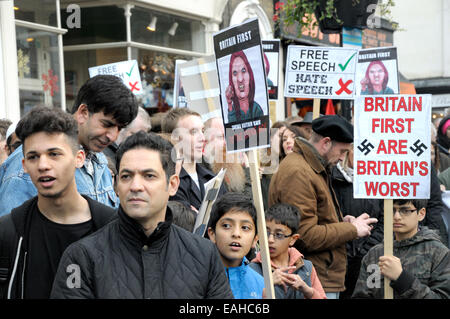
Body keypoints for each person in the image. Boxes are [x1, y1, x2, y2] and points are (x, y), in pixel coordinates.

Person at [50, 132, 233, 299]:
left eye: (149, 176)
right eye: (126, 176)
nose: (136, 186)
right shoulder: (82, 257)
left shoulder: (204, 254)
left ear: (173, 185)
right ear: (116, 185)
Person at [0, 107, 115, 299]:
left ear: (79, 159)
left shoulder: (112, 227)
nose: (43, 165)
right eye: (33, 157)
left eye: (54, 154)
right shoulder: (9, 232)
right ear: (24, 165)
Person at [268, 115, 378, 298]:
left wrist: (341, 222)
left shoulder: (310, 167)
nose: (343, 157)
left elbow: (311, 219)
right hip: (311, 278)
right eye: (342, 151)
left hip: (317, 275)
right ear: (326, 143)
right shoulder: (299, 172)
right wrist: (350, 229)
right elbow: (305, 235)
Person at [0, 75, 138, 216]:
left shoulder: (100, 160)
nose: (112, 136)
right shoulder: (28, 164)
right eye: (107, 124)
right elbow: (12, 232)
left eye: (119, 128)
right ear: (83, 112)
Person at [352, 199, 450, 299]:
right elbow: (362, 295)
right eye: (391, 210)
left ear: (421, 213)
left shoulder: (438, 253)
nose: (396, 217)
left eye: (405, 211)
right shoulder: (375, 254)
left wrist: (401, 278)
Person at [330, 147, 384, 298]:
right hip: (340, 255)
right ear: (347, 151)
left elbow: (385, 220)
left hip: (371, 255)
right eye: (359, 149)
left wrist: (367, 250)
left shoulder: (378, 179)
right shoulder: (332, 178)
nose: (363, 156)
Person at [250, 203, 326, 299]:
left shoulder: (306, 268)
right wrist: (267, 286)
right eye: (266, 232)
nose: (270, 239)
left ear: (293, 239)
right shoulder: (253, 269)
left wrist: (307, 290)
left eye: (279, 235)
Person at [163, 108, 226, 212]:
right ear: (174, 138)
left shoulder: (213, 178)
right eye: (193, 132)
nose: (202, 138)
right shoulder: (170, 182)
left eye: (202, 131)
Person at [207, 192, 264, 299]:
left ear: (255, 239)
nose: (236, 234)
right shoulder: (196, 279)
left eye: (245, 227)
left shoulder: (262, 286)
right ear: (212, 234)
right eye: (226, 225)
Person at [203, 116, 251, 197]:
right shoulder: (203, 172)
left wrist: (247, 170)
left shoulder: (237, 167)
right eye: (221, 137)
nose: (227, 142)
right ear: (206, 143)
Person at [225, 51, 264, 123]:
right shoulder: (232, 110)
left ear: (250, 75)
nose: (240, 79)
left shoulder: (256, 109)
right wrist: (229, 103)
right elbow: (231, 131)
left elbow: (262, 133)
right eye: (235, 73)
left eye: (243, 70)